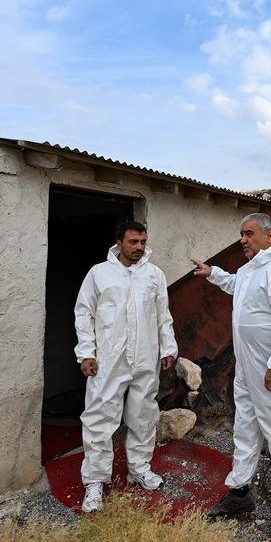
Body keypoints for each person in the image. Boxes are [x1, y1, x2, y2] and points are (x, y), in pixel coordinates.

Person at [191, 212, 271, 542]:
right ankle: (240, 492)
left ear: (268, 236)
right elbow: (237, 286)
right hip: (246, 367)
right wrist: (213, 273)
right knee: (245, 428)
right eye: (241, 234)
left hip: (270, 369)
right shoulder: (250, 269)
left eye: (249, 233)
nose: (242, 239)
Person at [74, 220, 177, 513]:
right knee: (99, 417)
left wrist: (167, 347)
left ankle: (140, 468)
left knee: (143, 414)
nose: (139, 248)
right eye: (133, 242)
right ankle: (95, 481)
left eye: (143, 242)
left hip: (145, 355)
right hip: (109, 358)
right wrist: (86, 353)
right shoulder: (99, 273)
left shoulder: (154, 275)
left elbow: (163, 315)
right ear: (118, 243)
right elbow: (84, 314)